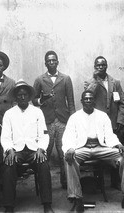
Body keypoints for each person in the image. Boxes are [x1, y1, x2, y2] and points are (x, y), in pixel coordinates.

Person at [62, 90, 124, 213]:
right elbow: (67, 137)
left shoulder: (102, 115)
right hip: (82, 147)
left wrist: (119, 145)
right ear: (81, 101)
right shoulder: (74, 117)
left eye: (91, 99)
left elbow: (109, 135)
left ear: (94, 101)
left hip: (101, 147)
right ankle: (77, 200)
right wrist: (69, 149)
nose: (88, 101)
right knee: (69, 158)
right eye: (85, 99)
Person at [1, 80, 54, 213]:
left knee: (43, 164)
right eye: (19, 95)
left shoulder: (37, 112)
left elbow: (44, 134)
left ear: (29, 96)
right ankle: (9, 206)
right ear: (16, 97)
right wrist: (9, 150)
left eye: (25, 94)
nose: (22, 97)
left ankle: (47, 204)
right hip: (16, 151)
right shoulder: (9, 114)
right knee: (8, 165)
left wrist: (41, 149)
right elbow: (5, 136)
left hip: (33, 150)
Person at [33, 50, 75, 189]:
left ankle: (66, 181)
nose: (51, 62)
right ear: (45, 63)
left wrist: (72, 121)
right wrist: (42, 99)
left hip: (63, 120)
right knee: (46, 151)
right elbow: (33, 100)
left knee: (64, 151)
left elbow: (71, 101)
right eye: (49, 61)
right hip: (47, 121)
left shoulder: (65, 78)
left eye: (54, 60)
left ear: (57, 62)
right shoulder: (40, 80)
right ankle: (44, 184)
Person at [84, 56, 124, 189]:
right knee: (100, 151)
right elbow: (88, 96)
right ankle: (99, 183)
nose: (100, 67)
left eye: (103, 65)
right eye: (98, 65)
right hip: (98, 124)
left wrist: (121, 120)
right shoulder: (89, 82)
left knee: (115, 151)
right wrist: (96, 80)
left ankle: (116, 181)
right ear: (94, 67)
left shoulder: (115, 82)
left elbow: (122, 103)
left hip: (114, 122)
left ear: (106, 66)